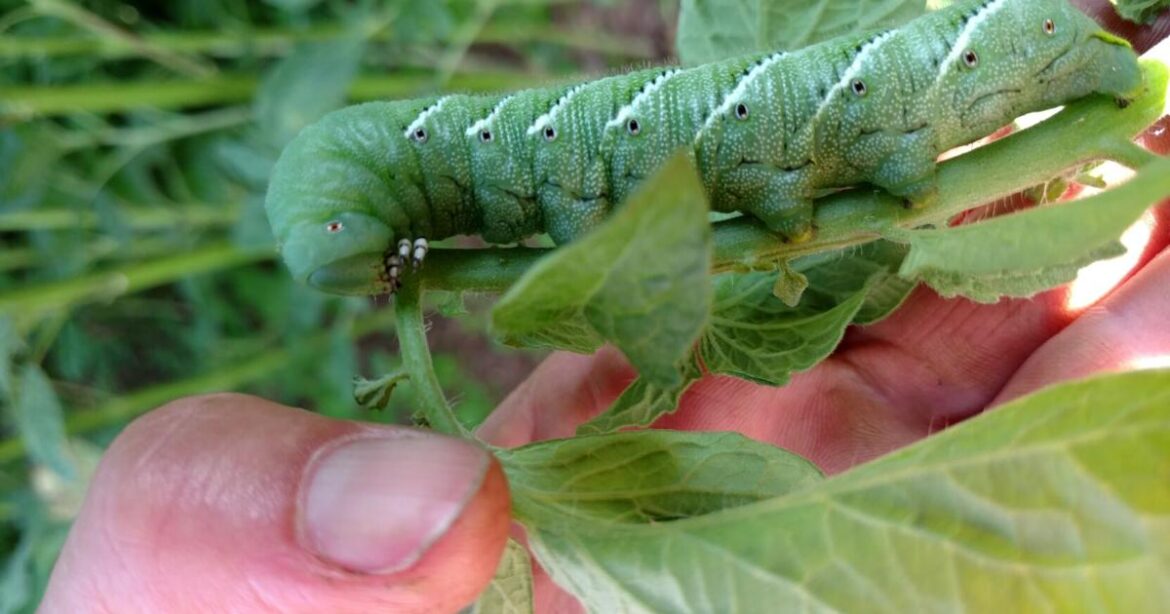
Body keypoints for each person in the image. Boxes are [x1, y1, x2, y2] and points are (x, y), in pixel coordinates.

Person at [40, 11, 1170, 611]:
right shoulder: (489, 176)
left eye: (367, 251)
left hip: (934, 79)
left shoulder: (528, 165)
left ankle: (1075, 61)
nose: (388, 278)